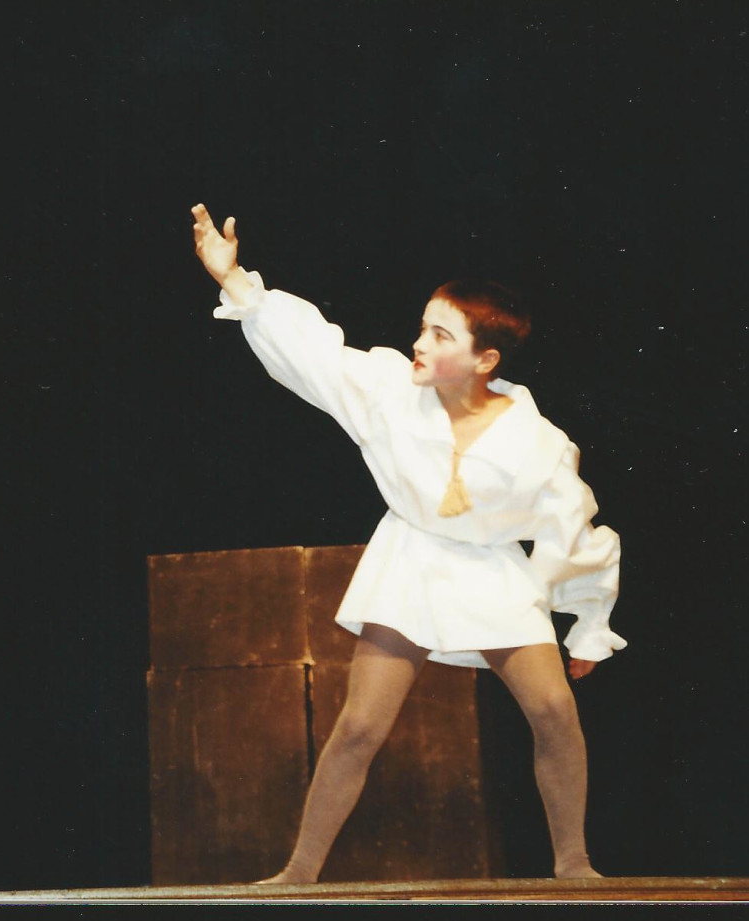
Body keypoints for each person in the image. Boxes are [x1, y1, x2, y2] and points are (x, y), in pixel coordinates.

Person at [191, 203, 622, 882]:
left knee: (553, 710)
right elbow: (316, 354)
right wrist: (235, 278)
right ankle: (298, 871)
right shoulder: (389, 390)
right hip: (410, 561)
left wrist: (589, 626)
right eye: (423, 326)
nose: (419, 342)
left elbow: (574, 528)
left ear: (484, 359)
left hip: (491, 571)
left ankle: (574, 863)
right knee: (361, 725)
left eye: (440, 334)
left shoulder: (538, 442)